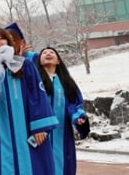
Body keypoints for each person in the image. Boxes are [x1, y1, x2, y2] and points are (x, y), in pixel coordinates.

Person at [0, 26, 58, 175]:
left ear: (8, 41)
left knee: (34, 165)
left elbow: (37, 95)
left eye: (0, 38)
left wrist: (40, 127)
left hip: (26, 128)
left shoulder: (24, 64)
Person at [37, 46, 90, 175]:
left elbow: (74, 104)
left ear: (58, 61)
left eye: (52, 53)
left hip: (62, 132)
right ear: (38, 61)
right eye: (44, 53)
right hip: (39, 133)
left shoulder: (66, 82)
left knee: (63, 165)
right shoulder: (34, 81)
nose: (48, 54)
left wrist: (78, 117)